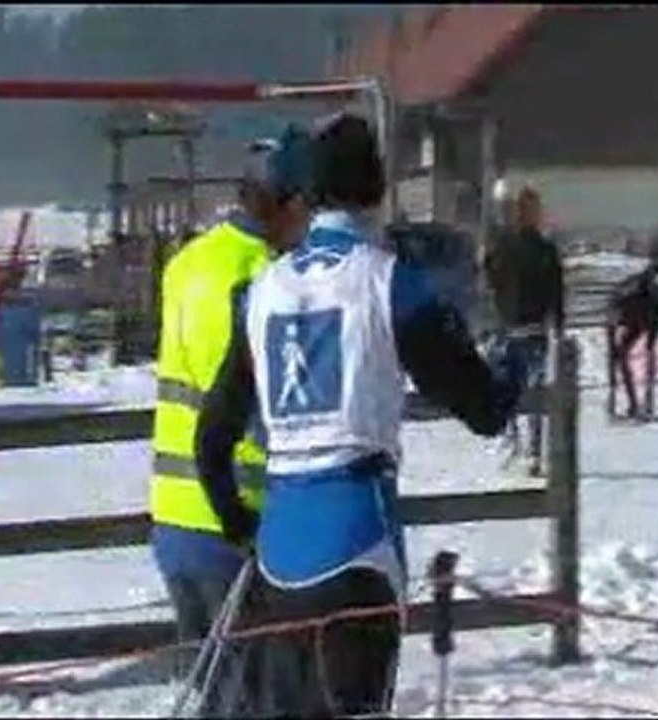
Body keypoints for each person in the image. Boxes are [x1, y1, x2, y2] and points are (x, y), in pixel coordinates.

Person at [195, 113, 527, 718]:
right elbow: (482, 407)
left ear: (314, 193)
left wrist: (239, 524)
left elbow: (211, 439)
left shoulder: (262, 291)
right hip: (357, 541)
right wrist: (518, 365)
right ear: (378, 192)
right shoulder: (390, 281)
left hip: (280, 550)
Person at [149, 126, 313, 715]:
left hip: (176, 516)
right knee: (255, 700)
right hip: (235, 516)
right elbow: (245, 407)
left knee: (217, 694)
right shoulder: (254, 277)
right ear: (286, 200)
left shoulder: (191, 261)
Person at [484, 185, 564, 475]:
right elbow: (489, 282)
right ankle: (516, 442)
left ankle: (530, 449)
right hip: (513, 329)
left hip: (529, 330)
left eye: (531, 209)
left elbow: (556, 290)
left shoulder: (540, 249)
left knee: (529, 392)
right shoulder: (507, 246)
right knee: (514, 390)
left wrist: (558, 323)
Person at [607, 262, 658, 419]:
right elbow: (616, 309)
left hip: (642, 316)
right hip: (632, 316)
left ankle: (642, 401)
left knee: (642, 354)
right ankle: (635, 401)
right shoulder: (632, 292)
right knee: (622, 355)